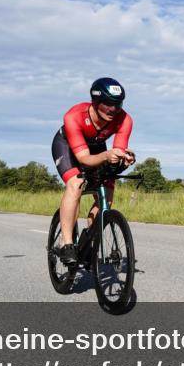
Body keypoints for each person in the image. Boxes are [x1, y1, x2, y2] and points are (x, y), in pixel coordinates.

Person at [51, 77, 135, 262]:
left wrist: (123, 159)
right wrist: (106, 156)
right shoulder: (74, 116)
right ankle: (66, 243)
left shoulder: (125, 120)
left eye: (118, 105)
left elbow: (117, 151)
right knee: (76, 184)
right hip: (68, 146)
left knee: (107, 193)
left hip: (96, 146)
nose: (113, 110)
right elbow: (83, 159)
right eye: (107, 105)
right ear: (95, 102)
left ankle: (89, 237)